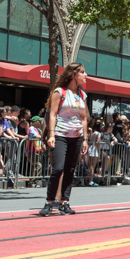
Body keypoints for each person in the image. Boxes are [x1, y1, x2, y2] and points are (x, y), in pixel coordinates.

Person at [40, 63, 89, 216]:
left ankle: (64, 202)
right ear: (73, 74)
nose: (85, 75)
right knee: (58, 168)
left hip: (76, 137)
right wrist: (52, 134)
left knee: (70, 169)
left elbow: (83, 119)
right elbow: (53, 114)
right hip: (60, 135)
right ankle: (49, 202)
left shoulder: (82, 95)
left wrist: (85, 139)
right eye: (82, 72)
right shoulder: (59, 92)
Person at [25, 116, 44, 185]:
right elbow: (34, 136)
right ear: (35, 122)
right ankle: (33, 181)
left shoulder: (38, 130)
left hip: (37, 151)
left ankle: (31, 182)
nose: (40, 122)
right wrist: (42, 137)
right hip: (31, 151)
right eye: (39, 121)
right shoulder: (31, 128)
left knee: (34, 167)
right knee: (38, 165)